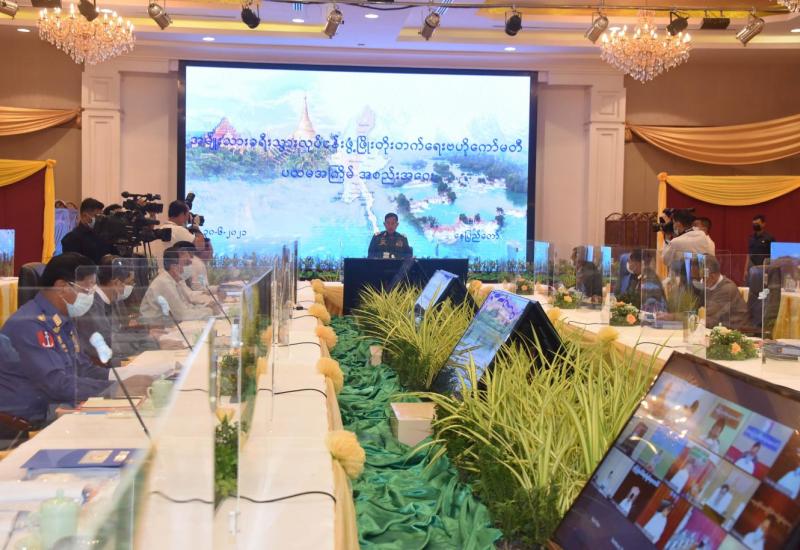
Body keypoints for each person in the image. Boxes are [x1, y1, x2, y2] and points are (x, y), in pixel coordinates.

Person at [0, 253, 150, 427]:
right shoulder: (29, 324)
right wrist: (115, 388)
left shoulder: (62, 319)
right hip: (33, 419)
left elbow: (82, 367)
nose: (91, 296)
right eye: (87, 290)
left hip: (61, 404)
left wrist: (121, 380)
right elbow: (56, 384)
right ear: (62, 287)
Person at [139, 245, 213, 322]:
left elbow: (187, 306)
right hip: (155, 326)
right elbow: (182, 315)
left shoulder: (175, 281)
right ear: (174, 267)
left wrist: (207, 308)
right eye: (186, 263)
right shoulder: (164, 283)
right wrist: (210, 311)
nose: (189, 267)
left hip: (168, 323)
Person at [60, 198, 114, 263]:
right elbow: (73, 265)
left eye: (102, 217)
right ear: (84, 215)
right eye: (97, 216)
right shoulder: (71, 239)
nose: (100, 220)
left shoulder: (103, 236)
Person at [704, 255, 750, 330]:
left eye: (701, 278)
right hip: (720, 327)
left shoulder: (726, 289)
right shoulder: (709, 284)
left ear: (712, 277)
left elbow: (706, 317)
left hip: (736, 331)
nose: (699, 281)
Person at [187, 227, 209, 291]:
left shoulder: (198, 261)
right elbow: (198, 287)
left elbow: (203, 285)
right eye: (201, 240)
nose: (203, 243)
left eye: (203, 240)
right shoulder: (194, 262)